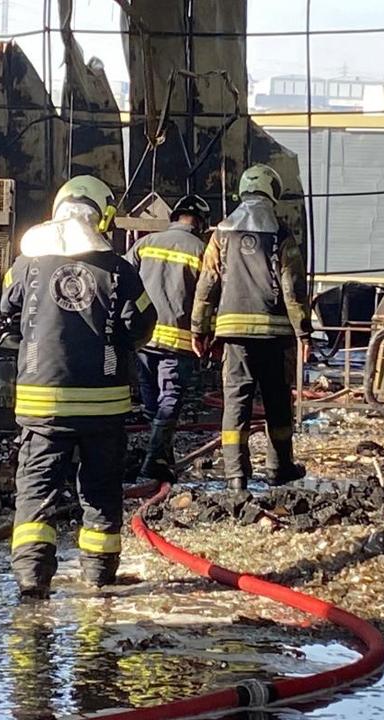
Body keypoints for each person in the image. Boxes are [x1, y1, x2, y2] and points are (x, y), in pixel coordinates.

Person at [0, 175, 157, 599]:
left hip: (42, 405)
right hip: (103, 406)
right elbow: (144, 324)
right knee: (101, 490)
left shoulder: (26, 264)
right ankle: (98, 575)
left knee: (37, 489)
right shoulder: (120, 269)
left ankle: (32, 578)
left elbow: (6, 304)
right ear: (102, 217)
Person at [191, 164, 312, 491]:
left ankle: (236, 475)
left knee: (236, 402)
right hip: (275, 335)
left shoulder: (221, 233)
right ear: (273, 192)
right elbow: (293, 287)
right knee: (277, 402)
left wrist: (199, 329)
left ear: (242, 190)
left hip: (234, 335)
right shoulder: (281, 233)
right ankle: (279, 467)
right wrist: (304, 332)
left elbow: (207, 284)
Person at [125, 195, 211, 482]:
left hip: (144, 339)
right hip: (180, 342)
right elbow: (209, 297)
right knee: (170, 399)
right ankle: (154, 460)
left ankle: (162, 457)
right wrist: (207, 335)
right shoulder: (202, 251)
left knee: (152, 402)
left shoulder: (145, 244)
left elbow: (121, 280)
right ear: (201, 222)